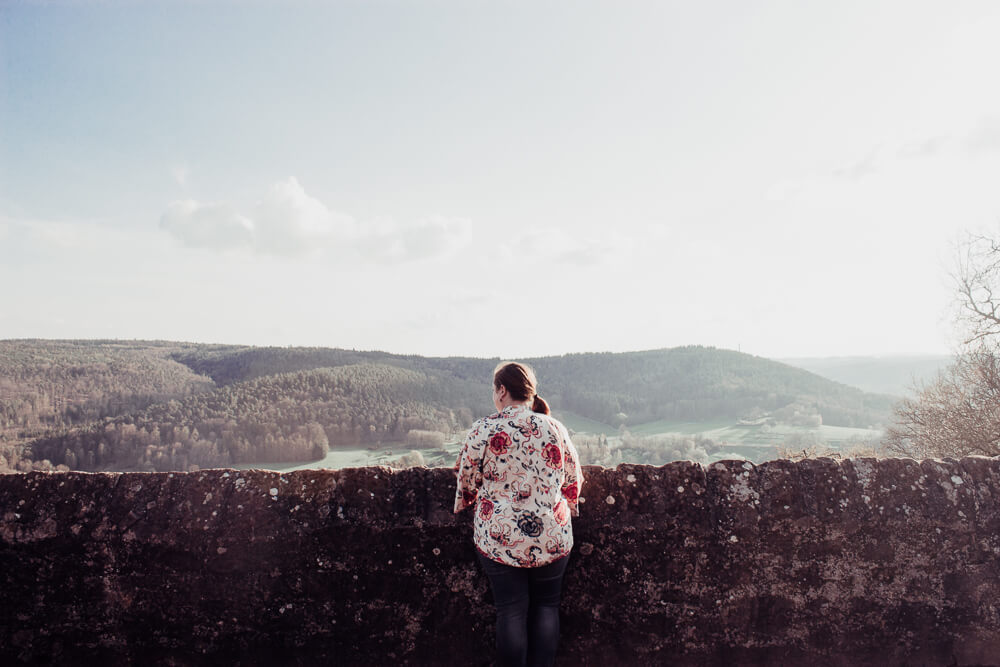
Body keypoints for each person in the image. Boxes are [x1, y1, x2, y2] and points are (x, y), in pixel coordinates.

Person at [454, 361, 583, 667]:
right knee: (547, 606)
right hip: (553, 535)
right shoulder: (555, 427)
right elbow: (573, 478)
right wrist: (568, 508)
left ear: (502, 390)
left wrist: (468, 501)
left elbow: (466, 478)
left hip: (501, 536)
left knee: (510, 609)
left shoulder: (485, 429)